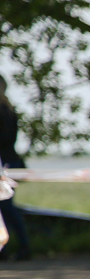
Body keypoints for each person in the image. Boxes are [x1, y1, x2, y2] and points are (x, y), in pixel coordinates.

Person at [0, 74, 30, 261]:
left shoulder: (4, 110)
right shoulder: (8, 109)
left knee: (7, 208)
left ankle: (24, 246)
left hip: (6, 163)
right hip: (9, 160)